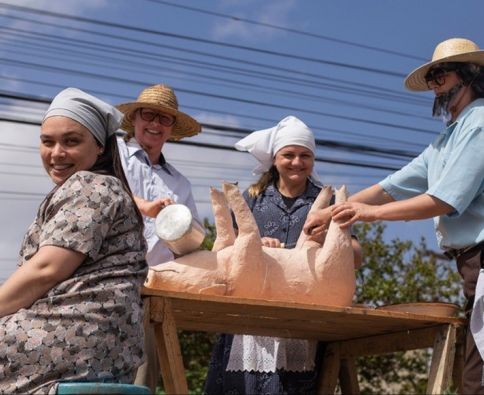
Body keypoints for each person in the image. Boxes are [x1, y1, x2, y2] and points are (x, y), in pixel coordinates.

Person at [303, 37, 484, 394]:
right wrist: (337, 210)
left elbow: (444, 200)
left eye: (441, 76)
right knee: (474, 370)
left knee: (477, 378)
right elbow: (392, 185)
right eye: (431, 79)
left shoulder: (479, 122)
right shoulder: (445, 140)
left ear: (470, 75)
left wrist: (369, 214)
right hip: (471, 266)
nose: (434, 86)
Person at [0, 87, 148, 393]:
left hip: (76, 336)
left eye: (71, 141)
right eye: (47, 142)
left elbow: (46, 270)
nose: (56, 153)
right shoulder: (97, 188)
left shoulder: (91, 186)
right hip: (105, 345)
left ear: (100, 148)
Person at [204, 115, 362, 395]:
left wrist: (329, 241)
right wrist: (252, 245)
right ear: (275, 159)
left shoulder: (328, 202)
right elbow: (224, 251)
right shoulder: (252, 197)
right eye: (288, 155)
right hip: (252, 312)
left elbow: (357, 256)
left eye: (305, 155)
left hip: (304, 315)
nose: (297, 162)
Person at [115, 84, 202, 391]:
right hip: (109, 281)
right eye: (149, 114)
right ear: (135, 118)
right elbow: (101, 193)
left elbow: (192, 243)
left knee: (140, 380)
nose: (155, 123)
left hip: (153, 290)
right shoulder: (113, 155)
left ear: (171, 129)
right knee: (95, 371)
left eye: (164, 119)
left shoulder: (180, 183)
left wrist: (185, 233)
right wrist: (143, 206)